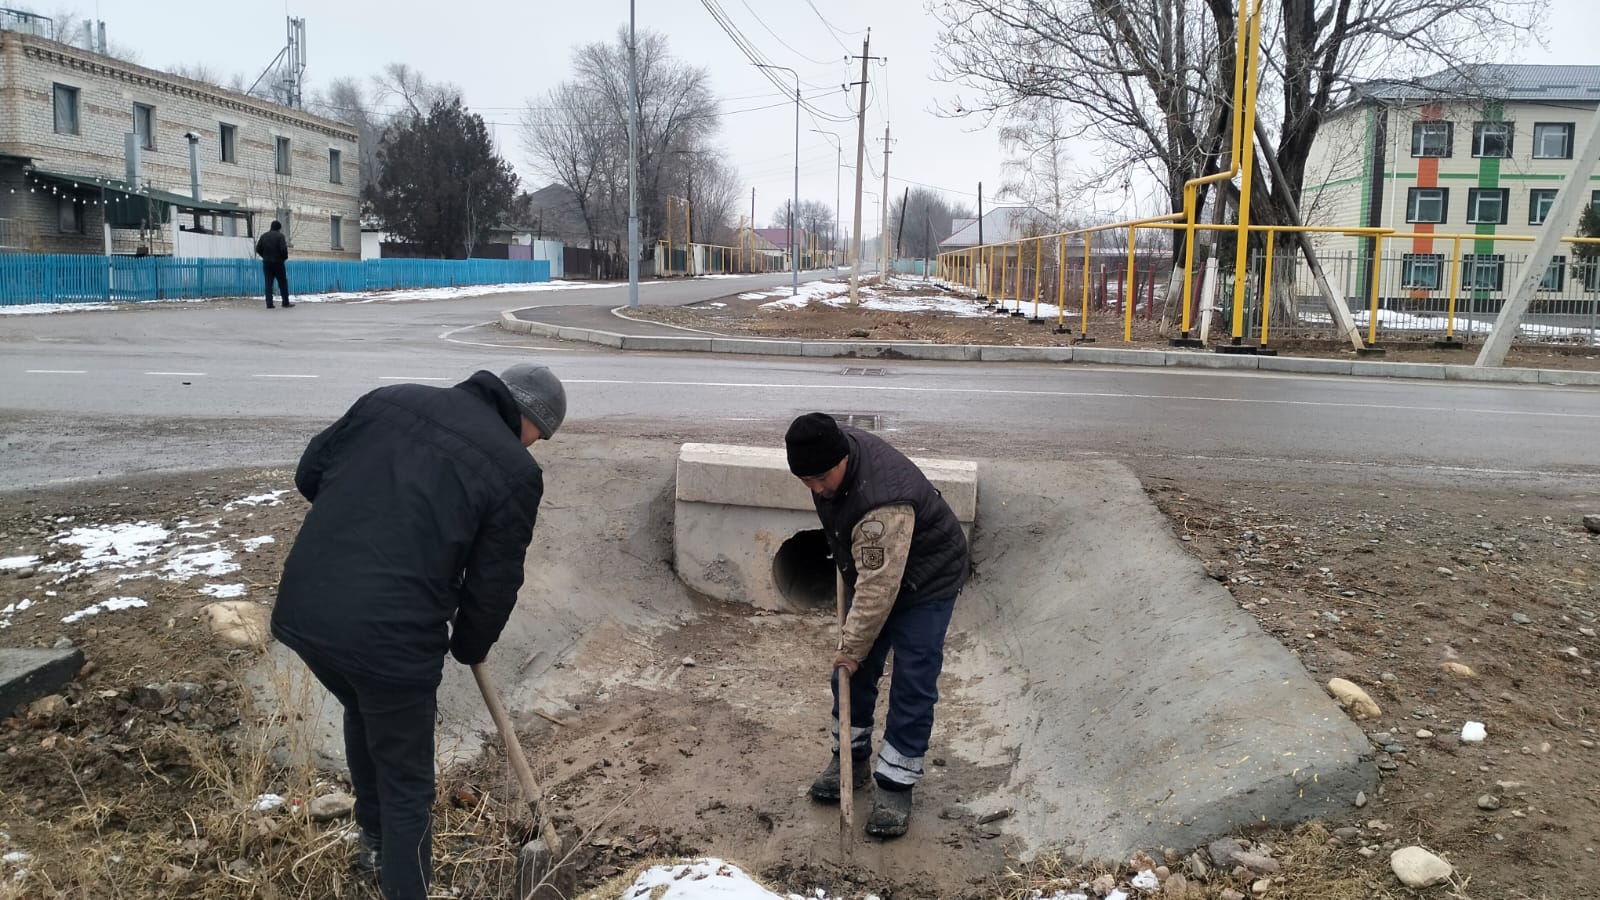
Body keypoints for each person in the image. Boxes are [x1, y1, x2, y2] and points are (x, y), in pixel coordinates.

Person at [270, 364, 566, 900]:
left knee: (364, 709)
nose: (533, 448)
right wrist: (469, 644)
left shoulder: (388, 399)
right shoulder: (514, 470)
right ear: (528, 423)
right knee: (409, 786)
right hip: (389, 636)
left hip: (307, 610)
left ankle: (375, 841)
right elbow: (494, 583)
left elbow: (309, 474)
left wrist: (369, 525)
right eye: (537, 439)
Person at [785, 412, 968, 839]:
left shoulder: (882, 502)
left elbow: (878, 589)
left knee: (912, 679)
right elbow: (868, 570)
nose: (815, 489)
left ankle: (895, 783)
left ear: (842, 461)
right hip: (876, 570)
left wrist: (850, 646)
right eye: (805, 480)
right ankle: (850, 758)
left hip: (927, 580)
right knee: (852, 673)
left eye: (820, 479)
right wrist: (853, 654)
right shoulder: (830, 456)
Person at [255, 219, 291, 309]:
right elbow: (283, 249)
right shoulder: (280, 236)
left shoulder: (264, 236)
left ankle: (269, 303)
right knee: (282, 282)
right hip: (278, 263)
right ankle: (285, 302)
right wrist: (284, 258)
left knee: (268, 283)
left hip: (267, 263)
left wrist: (265, 256)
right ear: (279, 228)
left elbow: (258, 249)